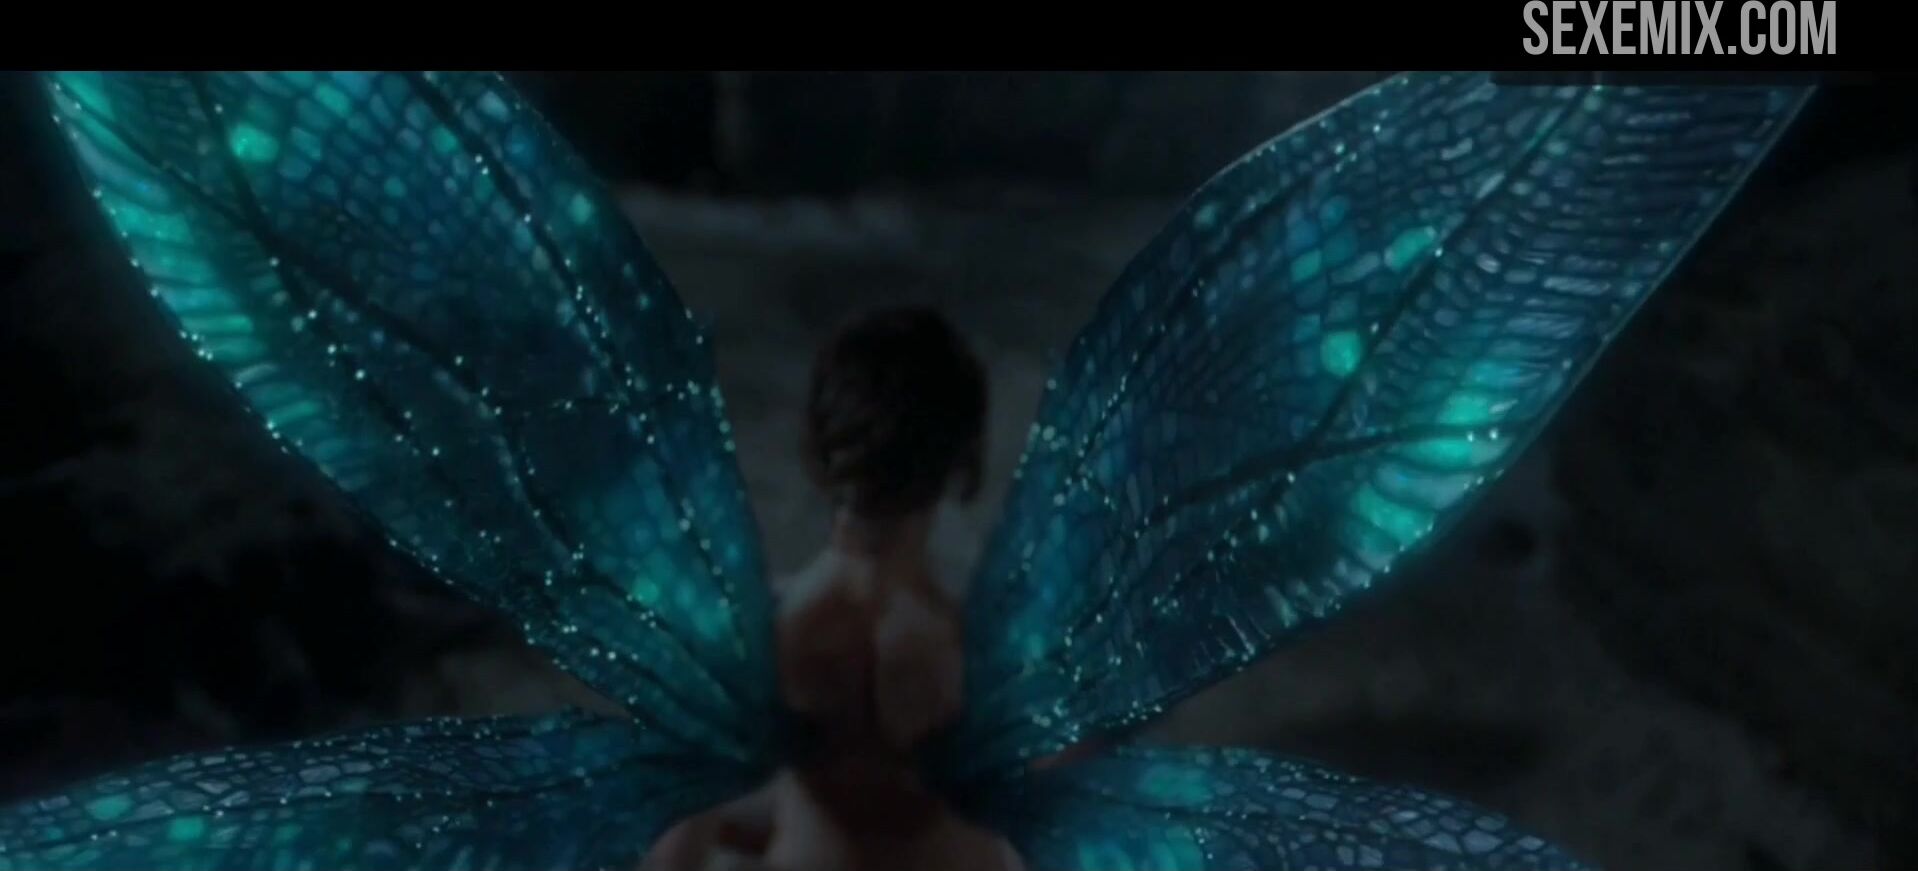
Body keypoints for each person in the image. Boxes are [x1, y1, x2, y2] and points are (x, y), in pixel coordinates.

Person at [645, 306, 1021, 871]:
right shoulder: (986, 657)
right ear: (960, 459)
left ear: (822, 449)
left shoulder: (752, 637)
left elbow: (674, 859)